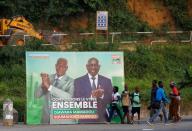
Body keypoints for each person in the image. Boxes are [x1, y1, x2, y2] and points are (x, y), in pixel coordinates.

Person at [35, 58, 74, 124]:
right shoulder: (48, 78)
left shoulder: (71, 81)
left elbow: (70, 98)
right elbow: (36, 95)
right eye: (58, 65)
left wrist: (49, 87)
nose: (60, 68)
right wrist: (43, 86)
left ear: (66, 68)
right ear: (55, 66)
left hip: (62, 121)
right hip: (45, 120)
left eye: (63, 66)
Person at [74, 57, 113, 123]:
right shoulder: (78, 81)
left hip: (102, 119)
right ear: (87, 66)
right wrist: (91, 96)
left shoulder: (107, 81)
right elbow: (76, 99)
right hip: (85, 119)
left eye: (95, 65)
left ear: (99, 66)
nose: (93, 67)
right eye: (91, 65)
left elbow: (110, 99)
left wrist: (102, 95)